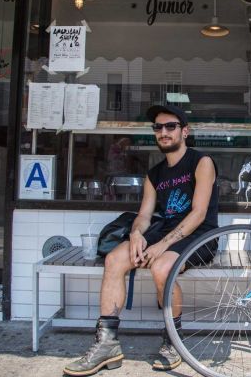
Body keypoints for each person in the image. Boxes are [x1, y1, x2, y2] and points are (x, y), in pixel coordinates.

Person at [64, 105, 219, 376]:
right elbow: (145, 215)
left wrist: (161, 246)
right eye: (158, 128)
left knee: (162, 268)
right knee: (114, 259)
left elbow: (198, 213)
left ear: (185, 131)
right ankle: (107, 345)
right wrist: (136, 233)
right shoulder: (154, 174)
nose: (163, 132)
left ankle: (173, 340)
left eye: (170, 126)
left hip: (199, 235)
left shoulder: (201, 162)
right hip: (165, 231)